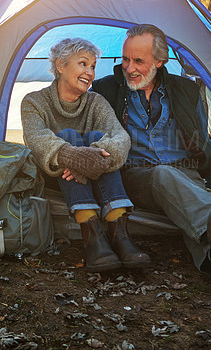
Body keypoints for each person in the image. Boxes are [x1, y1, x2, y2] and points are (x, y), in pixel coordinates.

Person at [91, 24, 211, 298]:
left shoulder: (186, 90)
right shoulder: (105, 90)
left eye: (139, 61)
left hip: (186, 173)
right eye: (125, 59)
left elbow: (202, 139)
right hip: (138, 177)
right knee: (164, 176)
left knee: (193, 208)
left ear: (159, 61)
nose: (129, 68)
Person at [21, 38, 151, 272]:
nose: (90, 72)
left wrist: (95, 157)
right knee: (68, 135)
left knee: (96, 137)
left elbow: (121, 138)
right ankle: (91, 233)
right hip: (55, 175)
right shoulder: (34, 101)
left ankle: (118, 232)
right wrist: (73, 157)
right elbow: (37, 140)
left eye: (92, 66)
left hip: (96, 171)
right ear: (60, 65)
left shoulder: (96, 101)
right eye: (83, 64)